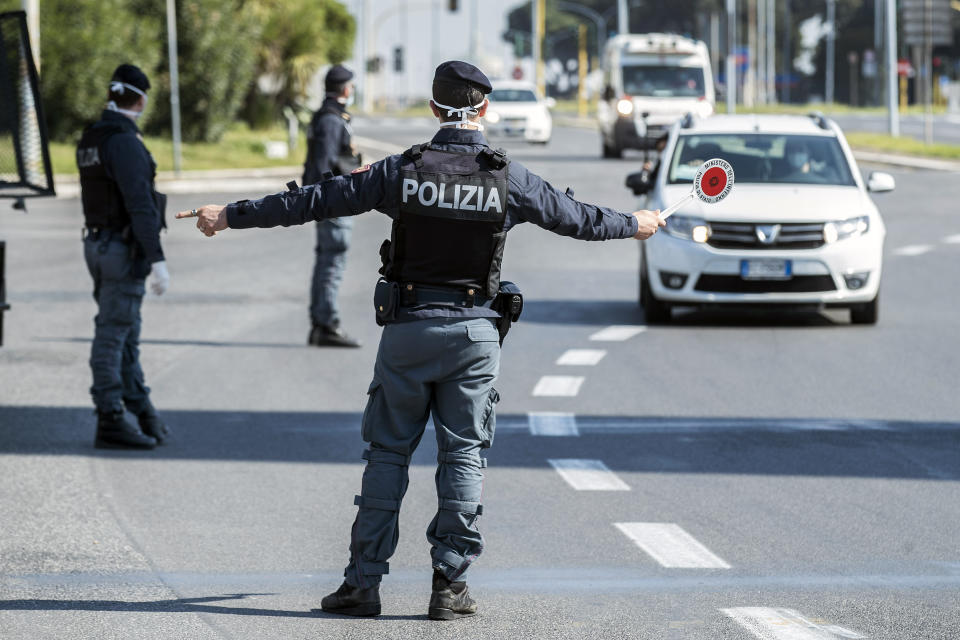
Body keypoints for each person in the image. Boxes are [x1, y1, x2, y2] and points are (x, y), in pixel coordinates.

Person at [178, 60, 663, 620]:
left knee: (386, 454)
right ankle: (448, 587)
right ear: (484, 109)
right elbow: (576, 217)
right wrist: (635, 222)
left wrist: (228, 215)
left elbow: (311, 200)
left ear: (433, 109)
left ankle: (362, 586)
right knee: (464, 456)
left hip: (407, 333)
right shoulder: (510, 177)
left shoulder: (400, 171)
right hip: (474, 336)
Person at [76, 64, 170, 450]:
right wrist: (158, 259)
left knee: (125, 332)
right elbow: (141, 205)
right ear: (140, 98)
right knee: (113, 336)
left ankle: (141, 410)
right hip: (120, 249)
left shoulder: (93, 136)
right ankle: (110, 417)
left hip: (97, 245)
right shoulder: (125, 142)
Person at [303, 64, 362, 348]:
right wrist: (326, 202)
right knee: (332, 261)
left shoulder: (329, 115)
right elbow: (323, 165)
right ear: (346, 89)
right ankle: (326, 324)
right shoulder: (331, 119)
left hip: (332, 200)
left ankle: (321, 323)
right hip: (334, 201)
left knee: (327, 259)